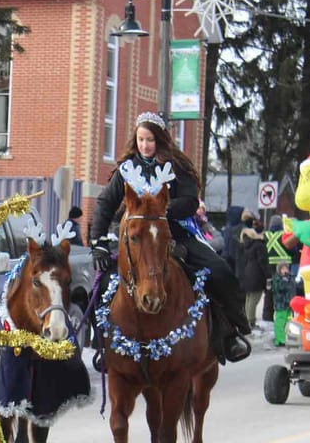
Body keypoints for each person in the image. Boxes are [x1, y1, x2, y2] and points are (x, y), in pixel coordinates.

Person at [89, 112, 252, 362]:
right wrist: (97, 242)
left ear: (161, 140)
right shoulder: (126, 168)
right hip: (136, 239)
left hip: (176, 233)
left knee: (219, 270)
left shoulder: (177, 166)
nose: (145, 145)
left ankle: (230, 332)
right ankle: (103, 343)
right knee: (102, 282)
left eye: (150, 140)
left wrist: (160, 211)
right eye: (141, 139)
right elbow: (104, 204)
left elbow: (188, 201)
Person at [238, 217, 268, 330]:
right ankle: (251, 321)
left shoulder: (245, 246)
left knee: (249, 297)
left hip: (247, 272)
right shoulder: (259, 245)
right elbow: (263, 262)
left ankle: (247, 319)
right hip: (257, 274)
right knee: (255, 297)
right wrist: (267, 275)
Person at [271, 262, 295, 347]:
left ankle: (287, 338)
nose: (285, 270)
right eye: (283, 269)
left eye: (286, 268)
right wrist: (284, 280)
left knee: (288, 322)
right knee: (280, 322)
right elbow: (279, 288)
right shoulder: (277, 279)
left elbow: (293, 289)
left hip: (289, 305)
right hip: (281, 305)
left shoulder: (290, 278)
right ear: (279, 270)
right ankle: (280, 339)